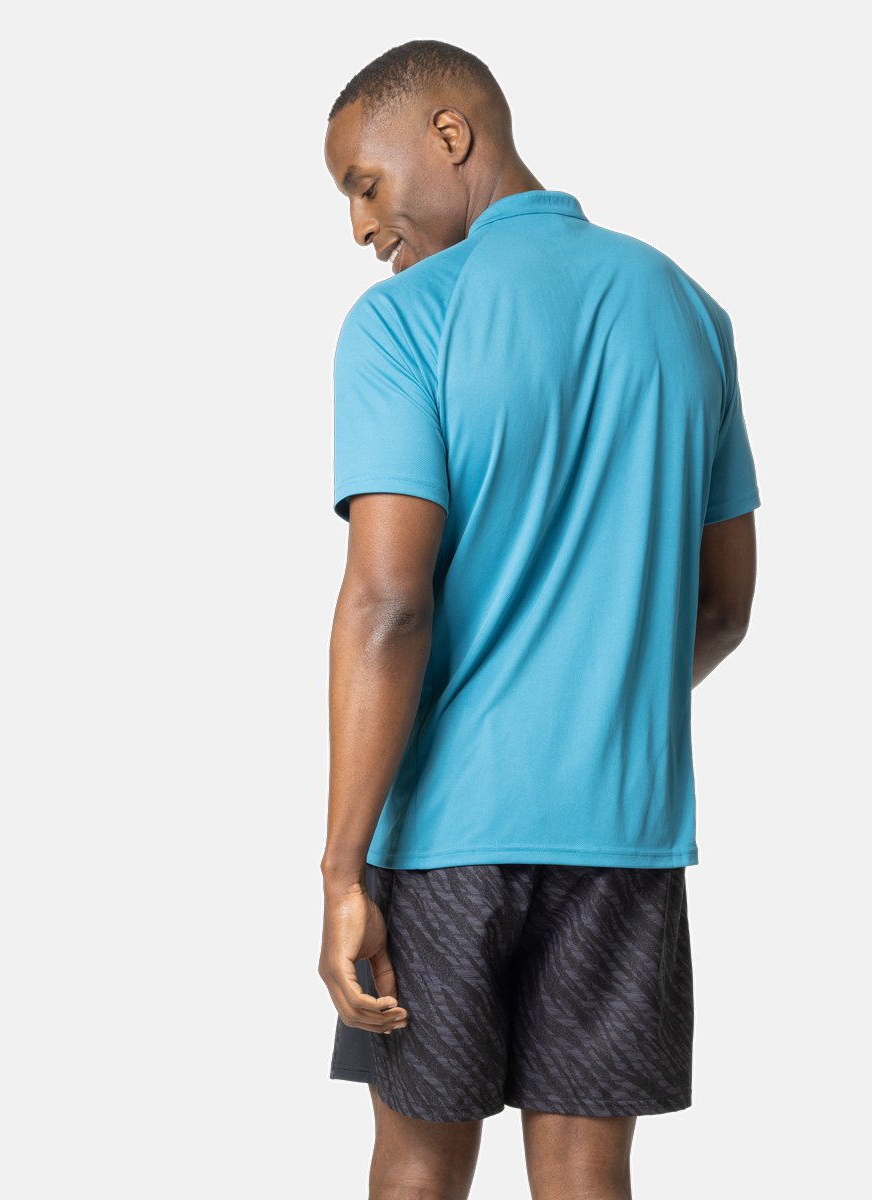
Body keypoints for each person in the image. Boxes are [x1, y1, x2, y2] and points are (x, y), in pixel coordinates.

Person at [317, 38, 761, 1200]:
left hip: (445, 836)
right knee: (584, 1177)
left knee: (418, 1168)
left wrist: (341, 870)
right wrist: (595, 699)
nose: (359, 228)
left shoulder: (403, 321)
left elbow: (388, 601)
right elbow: (723, 606)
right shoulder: (689, 311)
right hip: (623, 829)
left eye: (364, 183)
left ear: (449, 134)